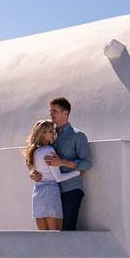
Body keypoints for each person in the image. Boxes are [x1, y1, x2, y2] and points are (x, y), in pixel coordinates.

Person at [29, 97, 92, 231]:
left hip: (71, 190)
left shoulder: (78, 136)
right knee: (51, 235)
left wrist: (63, 162)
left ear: (65, 113)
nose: (51, 114)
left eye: (54, 111)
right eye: (50, 111)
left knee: (67, 232)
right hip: (51, 192)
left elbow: (87, 163)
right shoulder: (49, 134)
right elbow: (41, 158)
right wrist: (32, 173)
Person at [23, 119, 80, 230]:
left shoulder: (34, 152)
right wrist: (77, 172)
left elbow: (35, 173)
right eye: (50, 131)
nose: (54, 133)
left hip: (38, 195)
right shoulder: (49, 150)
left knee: (44, 238)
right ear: (42, 134)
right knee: (55, 237)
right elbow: (58, 178)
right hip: (50, 194)